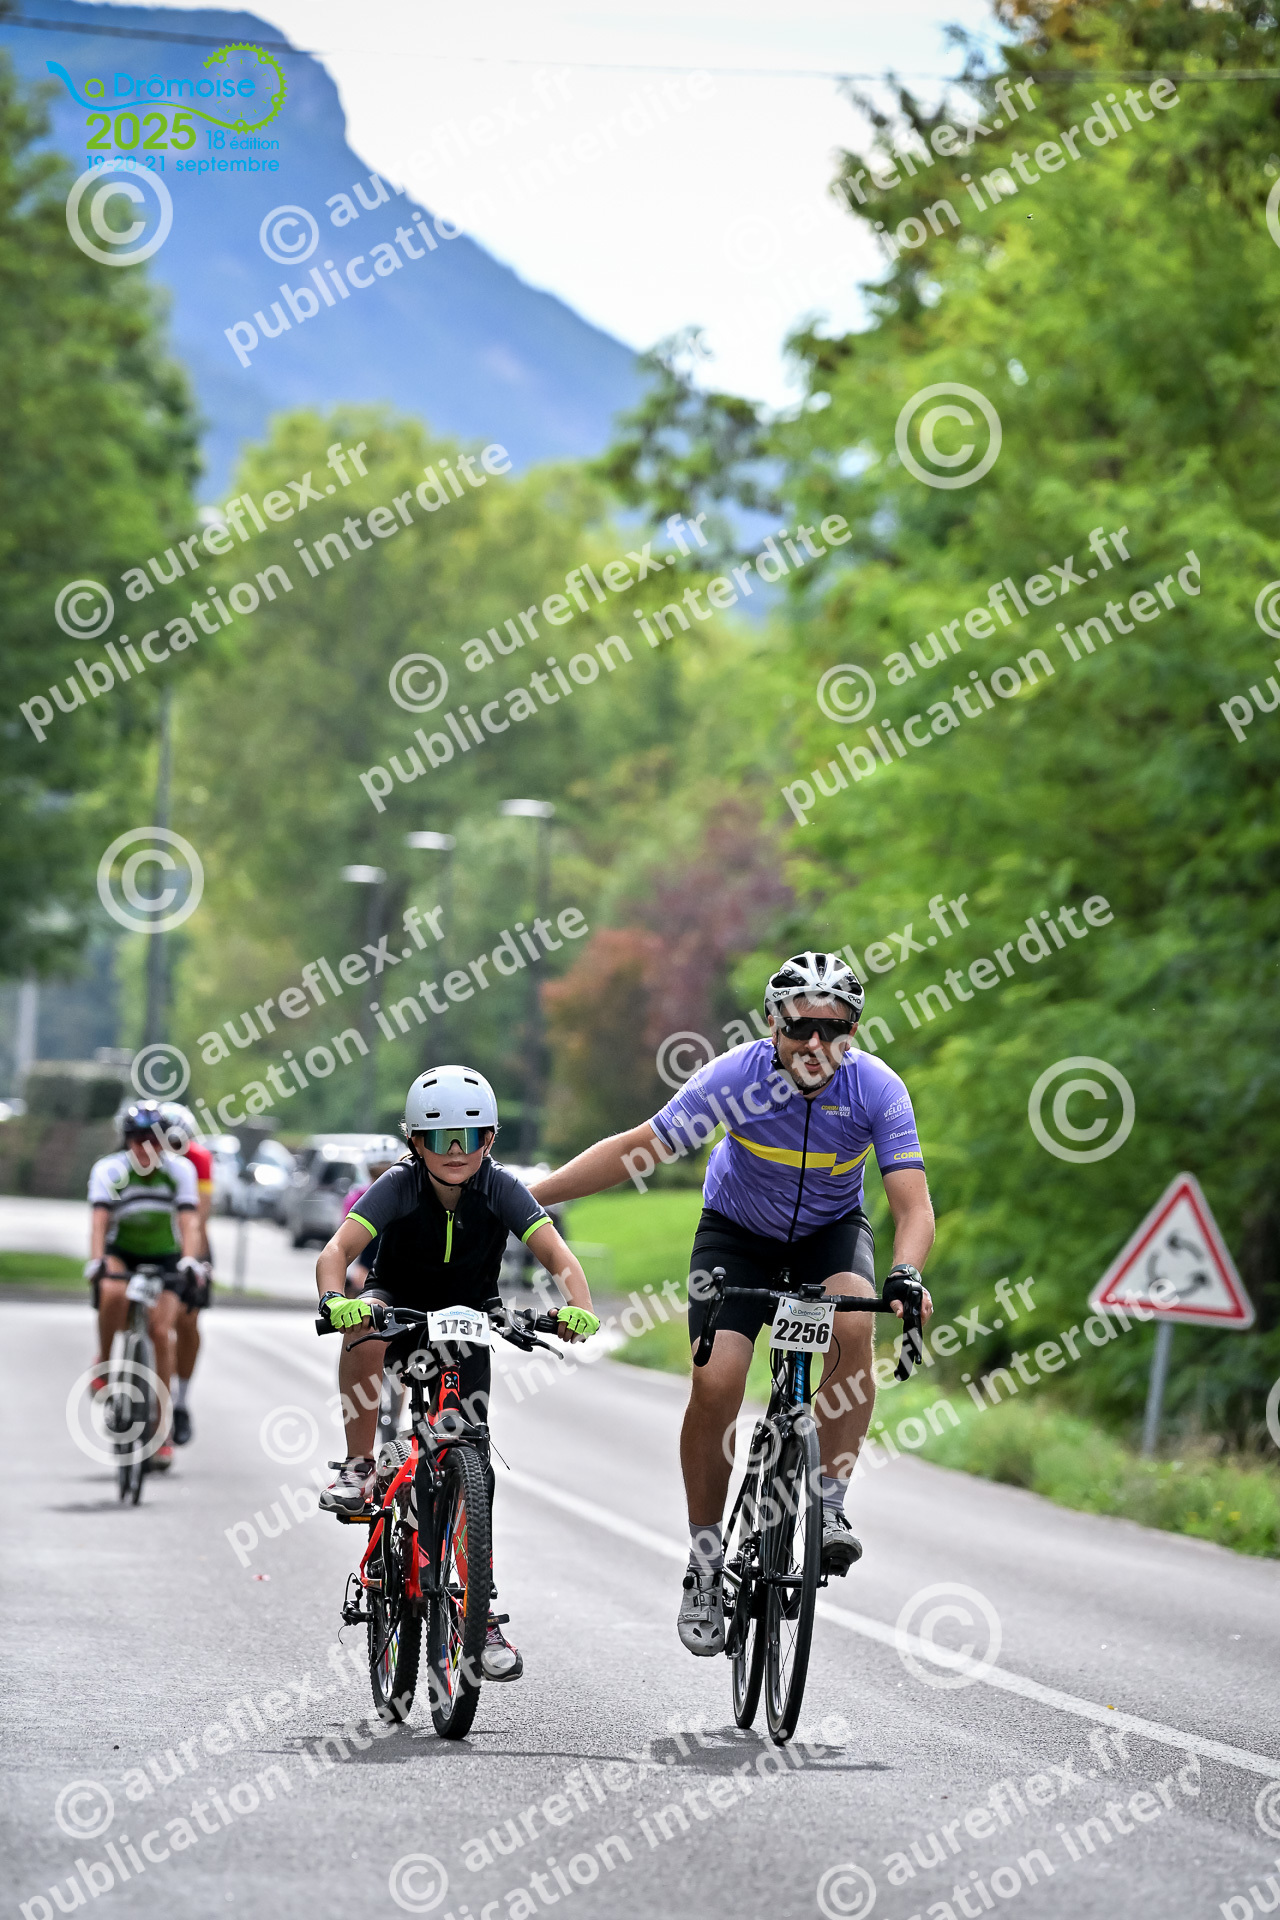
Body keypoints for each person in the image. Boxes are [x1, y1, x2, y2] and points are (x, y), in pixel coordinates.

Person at [529, 950, 935, 1657]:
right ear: (774, 1024)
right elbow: (637, 1149)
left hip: (830, 1234)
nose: (815, 1043)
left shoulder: (877, 1088)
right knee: (716, 1381)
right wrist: (522, 1199)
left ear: (853, 1031)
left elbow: (914, 1205)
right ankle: (705, 1560)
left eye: (833, 1028)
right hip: (737, 1234)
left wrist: (906, 1273)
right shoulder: (735, 1079)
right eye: (800, 1026)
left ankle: (830, 1510)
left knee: (854, 1325)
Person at [314, 1064, 600, 1681]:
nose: (454, 1151)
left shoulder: (501, 1188)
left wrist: (577, 1306)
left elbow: (557, 1254)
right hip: (398, 1308)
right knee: (360, 1332)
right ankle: (360, 1466)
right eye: (438, 1138)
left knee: (475, 1464)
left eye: (468, 1138)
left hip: (472, 1316)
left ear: (489, 1140)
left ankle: (481, 1611)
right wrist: (336, 1299)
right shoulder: (397, 1185)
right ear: (414, 1141)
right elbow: (338, 1251)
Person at [86, 1101, 205, 1470]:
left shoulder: (180, 1171)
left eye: (153, 1140)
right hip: (122, 1252)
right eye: (138, 1140)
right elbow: (99, 1222)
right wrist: (97, 1261)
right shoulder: (109, 1170)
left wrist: (189, 1260)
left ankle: (160, 1431)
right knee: (112, 1291)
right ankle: (105, 1363)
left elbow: (189, 1222)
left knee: (160, 1332)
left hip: (164, 1256)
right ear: (127, 1141)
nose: (145, 1148)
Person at [159, 1102, 215, 1446]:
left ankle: (180, 1402)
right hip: (153, 1241)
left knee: (187, 1322)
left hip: (189, 1242)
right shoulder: (143, 1158)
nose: (173, 1149)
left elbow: (200, 1214)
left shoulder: (199, 1159)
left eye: (180, 1143)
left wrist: (192, 1256)